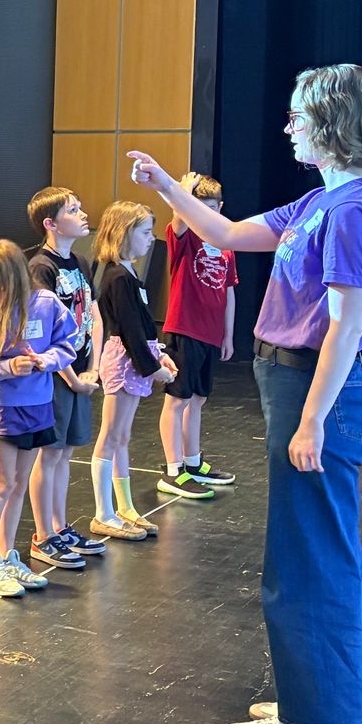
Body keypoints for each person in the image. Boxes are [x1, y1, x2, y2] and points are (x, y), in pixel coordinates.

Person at [128, 62, 362, 724]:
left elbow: (344, 325)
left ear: (334, 124)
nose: (288, 127)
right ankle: (331, 701)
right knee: (320, 550)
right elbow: (224, 232)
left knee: (306, 558)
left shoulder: (352, 210)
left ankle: (314, 721)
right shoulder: (320, 203)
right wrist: (165, 188)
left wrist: (311, 419)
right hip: (298, 388)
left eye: (299, 116)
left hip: (318, 393)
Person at [0, 240, 79, 598]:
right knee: (1, 482)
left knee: (18, 483)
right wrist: (6, 367)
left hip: (38, 405)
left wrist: (46, 361)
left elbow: (68, 344)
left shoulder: (45, 305)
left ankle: (7, 555)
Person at [25, 188, 109, 570]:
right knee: (50, 453)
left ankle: (59, 526)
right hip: (59, 374)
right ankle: (43, 535)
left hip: (83, 370)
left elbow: (93, 313)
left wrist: (97, 364)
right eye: (73, 210)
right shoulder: (41, 267)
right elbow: (45, 331)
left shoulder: (80, 261)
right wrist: (72, 377)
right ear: (50, 223)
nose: (82, 213)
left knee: (66, 453)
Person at [88, 201, 177, 542]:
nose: (150, 239)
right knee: (111, 435)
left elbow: (141, 328)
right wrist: (153, 368)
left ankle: (124, 507)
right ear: (124, 233)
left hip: (133, 359)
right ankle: (103, 512)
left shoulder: (128, 273)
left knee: (122, 437)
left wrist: (159, 356)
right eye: (144, 232)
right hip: (124, 361)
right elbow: (129, 331)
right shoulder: (118, 276)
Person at [158, 173, 239, 500]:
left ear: (220, 208)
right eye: (197, 208)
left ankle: (192, 462)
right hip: (184, 328)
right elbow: (177, 220)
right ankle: (173, 469)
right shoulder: (184, 235)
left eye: (209, 208)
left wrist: (228, 335)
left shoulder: (226, 244)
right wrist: (183, 193)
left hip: (210, 333)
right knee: (177, 399)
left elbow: (229, 291)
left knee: (198, 399)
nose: (202, 215)